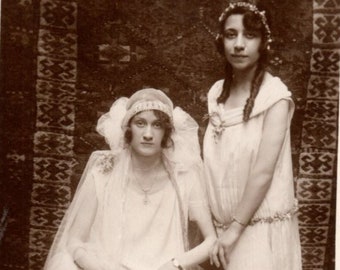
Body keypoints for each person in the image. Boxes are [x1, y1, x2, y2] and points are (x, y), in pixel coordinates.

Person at [44, 88, 216, 270]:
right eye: (140, 123)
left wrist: (174, 264)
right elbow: (74, 241)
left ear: (166, 133)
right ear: (128, 129)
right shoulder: (104, 169)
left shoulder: (184, 175)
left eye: (157, 125)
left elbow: (211, 241)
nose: (148, 134)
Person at [203, 2, 302, 270]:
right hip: (220, 232)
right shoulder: (216, 94)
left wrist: (234, 231)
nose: (238, 44)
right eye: (230, 34)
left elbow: (263, 172)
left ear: (263, 43)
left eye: (249, 35)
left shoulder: (275, 98)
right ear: (221, 40)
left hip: (257, 229)